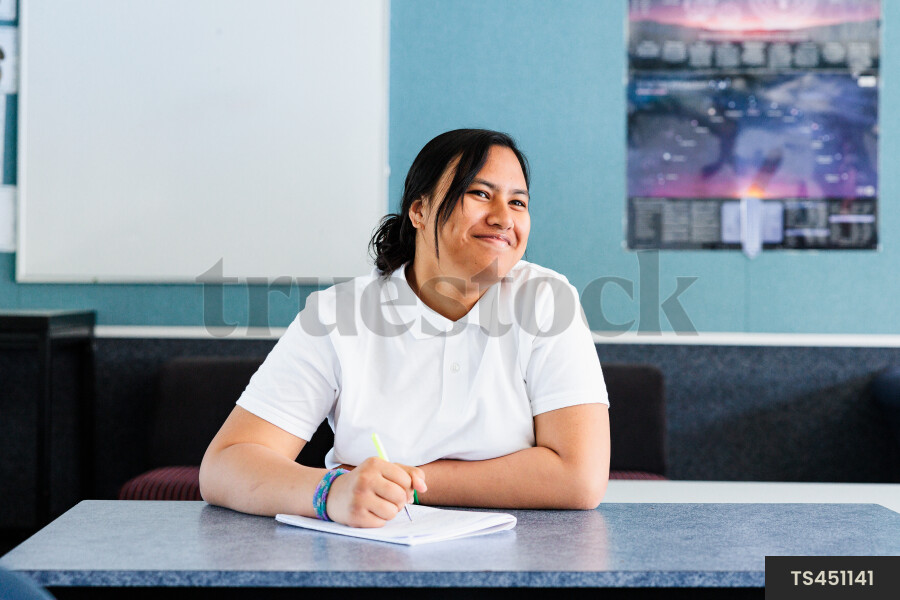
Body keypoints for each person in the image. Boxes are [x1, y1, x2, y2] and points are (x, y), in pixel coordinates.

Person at [199, 129, 610, 528]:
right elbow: (225, 464)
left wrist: (404, 483)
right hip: (371, 553)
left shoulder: (547, 300)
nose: (504, 218)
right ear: (419, 210)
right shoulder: (338, 313)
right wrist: (332, 491)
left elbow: (580, 479)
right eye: (480, 194)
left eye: (518, 202)